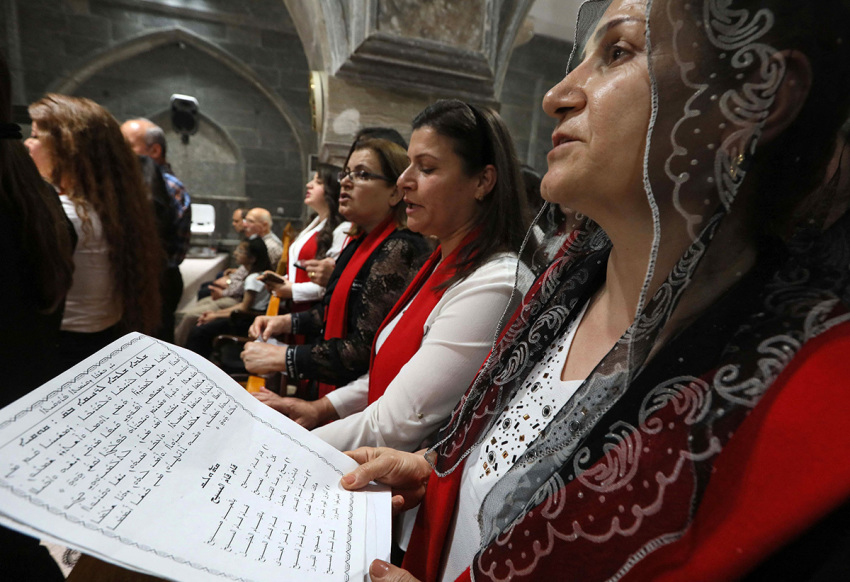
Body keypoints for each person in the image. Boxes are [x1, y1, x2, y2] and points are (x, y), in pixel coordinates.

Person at [341, 1, 850, 581]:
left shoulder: (809, 401)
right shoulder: (563, 294)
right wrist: (437, 471)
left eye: (618, 53)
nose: (556, 95)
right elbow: (516, 471)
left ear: (763, 93)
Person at [251, 100, 531, 454]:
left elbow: (399, 422)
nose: (404, 181)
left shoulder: (496, 284)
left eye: (426, 168)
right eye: (408, 165)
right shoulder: (443, 261)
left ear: (482, 181)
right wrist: (321, 408)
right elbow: (395, 369)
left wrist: (280, 448)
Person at [241, 138, 430, 396]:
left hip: (360, 400)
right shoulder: (359, 241)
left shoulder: (399, 248)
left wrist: (283, 357)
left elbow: (363, 350)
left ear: (395, 192)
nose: (345, 181)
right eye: (346, 173)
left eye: (362, 174)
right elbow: (329, 310)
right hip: (331, 384)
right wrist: (284, 322)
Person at [26, 94, 162, 370]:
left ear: (66, 149)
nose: (27, 144)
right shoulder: (110, 209)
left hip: (59, 352)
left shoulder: (64, 214)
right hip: (100, 343)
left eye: (36, 136)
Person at [121, 118, 191, 341]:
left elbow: (174, 251)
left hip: (155, 282)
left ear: (154, 150)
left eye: (127, 145)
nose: (120, 152)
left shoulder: (169, 187)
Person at [174, 205, 281, 346]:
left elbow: (244, 307)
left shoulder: (262, 260)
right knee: (203, 300)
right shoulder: (254, 263)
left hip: (243, 315)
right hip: (240, 299)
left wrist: (217, 311)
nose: (244, 224)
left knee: (194, 320)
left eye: (249, 221)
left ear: (264, 225)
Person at [262, 163, 349, 308]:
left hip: (313, 310)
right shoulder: (313, 223)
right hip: (295, 308)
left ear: (332, 190)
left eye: (318, 182)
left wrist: (291, 290)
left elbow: (332, 283)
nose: (309, 185)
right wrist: (281, 280)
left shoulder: (342, 229)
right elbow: (299, 272)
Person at [185, 238, 272, 359]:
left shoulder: (253, 279)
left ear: (253, 258)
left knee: (199, 332)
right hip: (244, 316)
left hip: (246, 321)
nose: (235, 253)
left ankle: (193, 364)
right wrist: (215, 313)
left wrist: (215, 315)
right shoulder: (255, 274)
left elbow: (243, 308)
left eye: (241, 251)